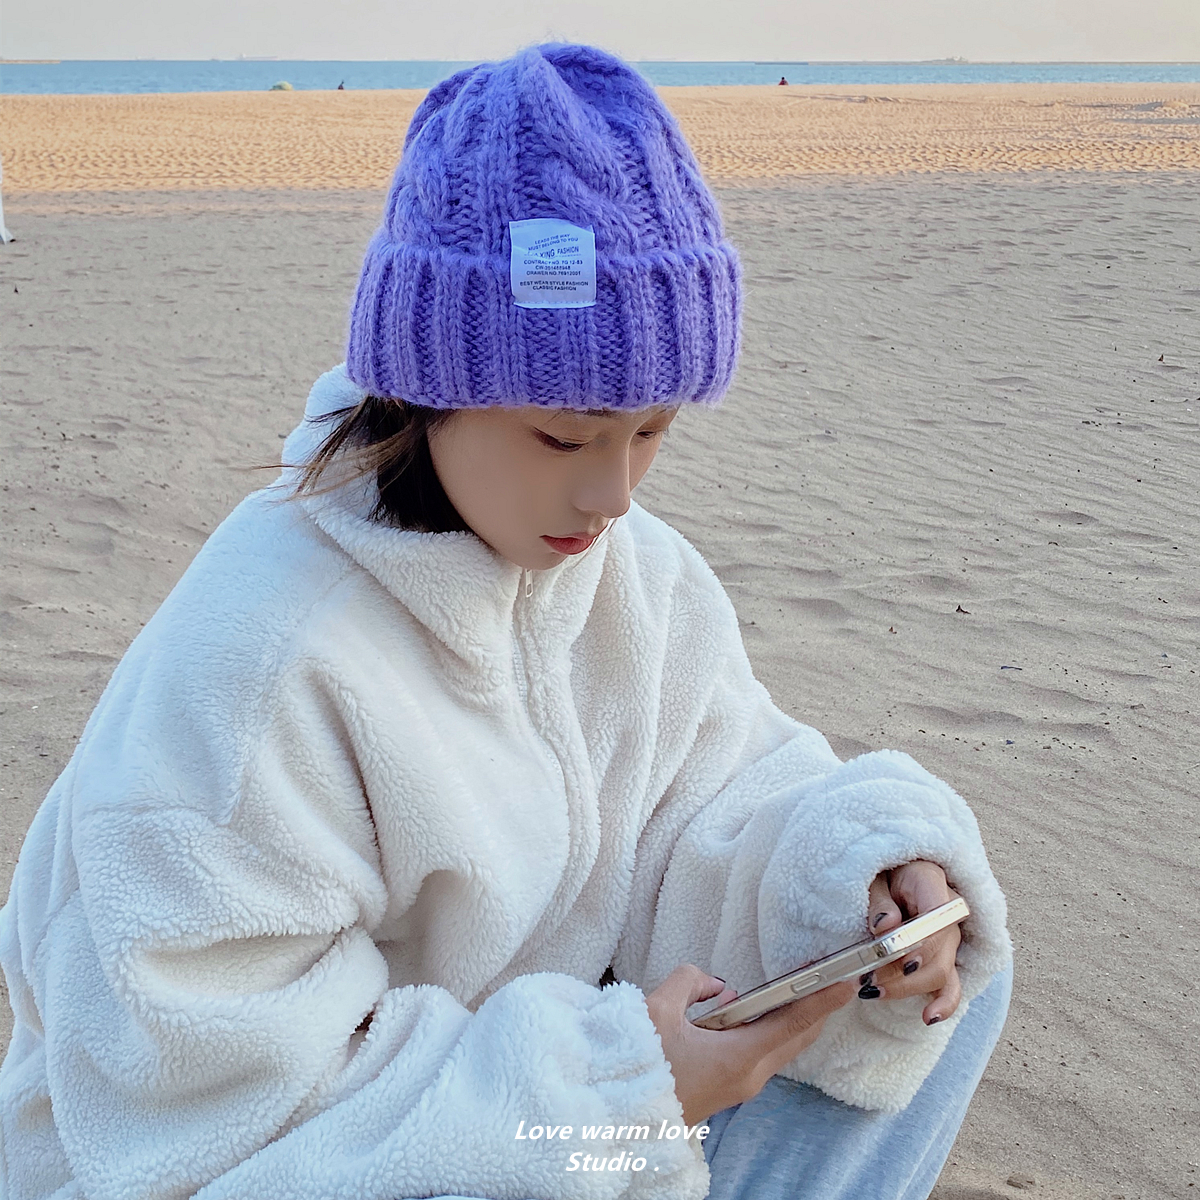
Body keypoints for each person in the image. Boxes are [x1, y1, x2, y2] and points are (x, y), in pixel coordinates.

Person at [0, 42, 1012, 1200]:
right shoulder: (264, 664)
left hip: (522, 1090)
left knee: (925, 1000)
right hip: (270, 1152)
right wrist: (617, 1090)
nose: (613, 493)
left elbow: (710, 801)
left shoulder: (634, 575)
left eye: (652, 432)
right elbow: (206, 1106)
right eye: (564, 436)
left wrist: (856, 886)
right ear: (424, 392)